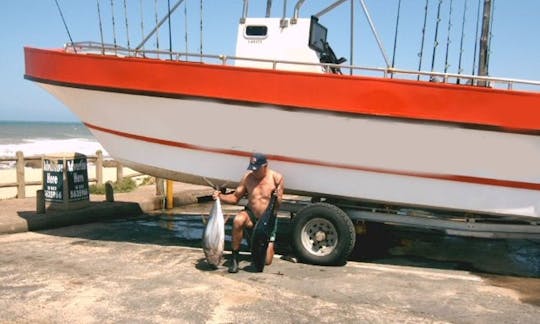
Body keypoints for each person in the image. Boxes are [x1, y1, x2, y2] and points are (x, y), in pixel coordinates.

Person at [213, 153, 284, 273]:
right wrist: (220, 196)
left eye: (256, 169)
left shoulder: (276, 178)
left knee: (266, 261)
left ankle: (265, 243)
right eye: (252, 168)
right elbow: (235, 198)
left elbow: (277, 206)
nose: (254, 172)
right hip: (251, 215)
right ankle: (234, 258)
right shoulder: (248, 178)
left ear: (265, 166)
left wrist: (276, 197)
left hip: (267, 222)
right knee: (238, 220)